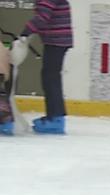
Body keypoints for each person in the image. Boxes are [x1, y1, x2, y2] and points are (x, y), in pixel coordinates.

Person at [11, 0, 73, 134]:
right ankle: (54, 116)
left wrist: (25, 33)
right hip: (57, 40)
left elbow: (42, 17)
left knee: (51, 79)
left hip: (57, 41)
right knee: (50, 78)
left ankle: (56, 119)